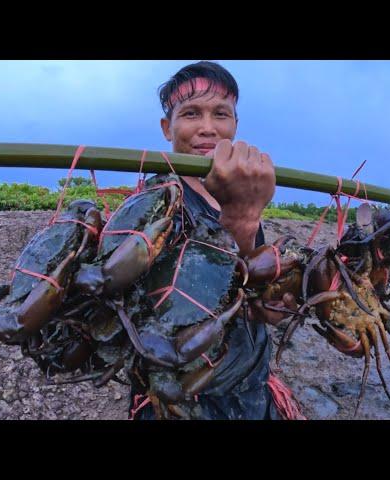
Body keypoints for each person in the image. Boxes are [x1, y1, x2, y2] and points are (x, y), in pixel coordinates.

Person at [128, 61, 300, 420]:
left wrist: (268, 306)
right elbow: (175, 319)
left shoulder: (236, 188)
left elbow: (248, 291)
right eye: (191, 113)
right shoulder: (152, 205)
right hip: (184, 398)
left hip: (251, 386)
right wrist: (240, 217)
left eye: (221, 114)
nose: (208, 128)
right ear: (167, 127)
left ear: (235, 125)